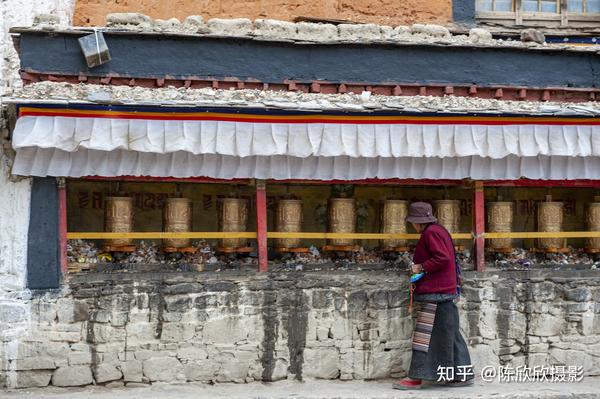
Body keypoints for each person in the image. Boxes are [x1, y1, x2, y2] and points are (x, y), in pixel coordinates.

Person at [393, 201, 474, 390]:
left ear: (417, 221)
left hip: (436, 292)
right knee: (450, 334)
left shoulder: (430, 233)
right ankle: (461, 376)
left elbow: (442, 258)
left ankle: (416, 378)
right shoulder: (440, 230)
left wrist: (421, 267)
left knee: (424, 336)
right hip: (445, 291)